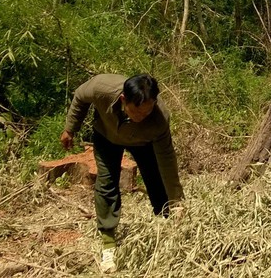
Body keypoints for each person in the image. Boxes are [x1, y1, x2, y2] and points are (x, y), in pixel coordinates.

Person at [60, 73, 184, 273]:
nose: (142, 117)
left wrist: (176, 200)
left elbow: (167, 159)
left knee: (156, 181)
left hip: (143, 143)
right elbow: (80, 97)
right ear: (123, 100)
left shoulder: (159, 119)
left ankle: (166, 229)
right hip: (106, 136)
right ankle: (108, 243)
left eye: (147, 111)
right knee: (107, 184)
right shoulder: (101, 87)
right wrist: (70, 128)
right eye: (137, 112)